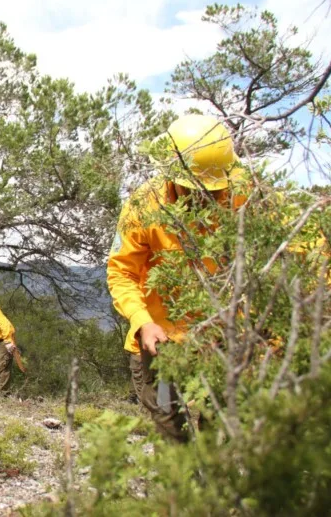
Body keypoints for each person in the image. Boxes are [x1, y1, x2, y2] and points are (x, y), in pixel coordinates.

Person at [107, 114, 245, 441]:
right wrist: (142, 321)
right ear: (173, 174)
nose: (204, 196)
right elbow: (121, 271)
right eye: (194, 188)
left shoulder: (242, 194)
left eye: (212, 189)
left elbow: (293, 243)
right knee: (171, 432)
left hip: (220, 337)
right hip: (159, 339)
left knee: (220, 432)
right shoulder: (143, 206)